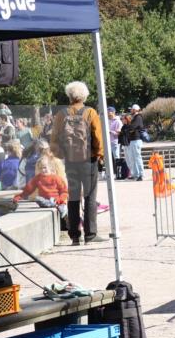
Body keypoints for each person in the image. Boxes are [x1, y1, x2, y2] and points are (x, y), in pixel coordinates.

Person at [51, 80, 105, 245]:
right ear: (84, 95)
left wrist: (62, 155)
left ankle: (74, 235)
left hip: (71, 161)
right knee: (89, 196)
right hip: (88, 161)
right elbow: (97, 137)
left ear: (69, 96)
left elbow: (54, 140)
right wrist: (99, 155)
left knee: (73, 197)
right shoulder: (90, 113)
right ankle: (90, 234)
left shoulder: (61, 114)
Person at [124, 104, 146, 181]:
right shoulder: (135, 117)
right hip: (133, 140)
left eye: (132, 109)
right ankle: (136, 174)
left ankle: (141, 174)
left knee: (137, 158)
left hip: (137, 140)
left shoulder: (138, 117)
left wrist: (129, 128)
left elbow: (132, 127)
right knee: (133, 158)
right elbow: (131, 128)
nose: (131, 111)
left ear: (135, 110)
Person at [106, 107, 122, 177]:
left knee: (116, 157)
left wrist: (110, 131)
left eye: (109, 112)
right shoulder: (107, 121)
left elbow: (119, 133)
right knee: (109, 158)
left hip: (115, 142)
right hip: (108, 142)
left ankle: (118, 173)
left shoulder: (118, 121)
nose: (108, 113)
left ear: (113, 112)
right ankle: (111, 173)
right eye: (107, 112)